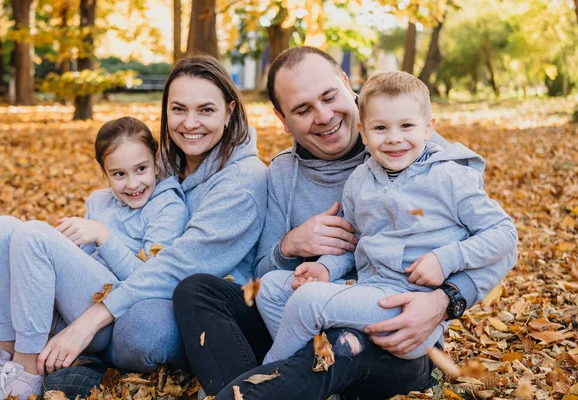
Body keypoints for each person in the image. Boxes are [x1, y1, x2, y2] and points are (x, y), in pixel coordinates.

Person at [174, 46, 516, 400]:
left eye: (329, 96)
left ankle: (261, 387)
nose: (323, 116)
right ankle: (271, 386)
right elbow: (263, 274)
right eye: (303, 109)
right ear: (282, 119)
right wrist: (290, 246)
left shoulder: (415, 149)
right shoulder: (283, 173)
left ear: (346, 82)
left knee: (344, 343)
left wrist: (445, 301)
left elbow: (501, 245)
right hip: (311, 317)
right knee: (196, 290)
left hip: (395, 330)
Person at [38, 55, 267, 397]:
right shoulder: (164, 162)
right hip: (139, 281)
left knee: (145, 329)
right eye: (178, 109)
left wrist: (91, 320)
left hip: (202, 308)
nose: (190, 123)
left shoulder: (243, 181)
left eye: (206, 110)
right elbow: (120, 207)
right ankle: (86, 355)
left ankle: (95, 358)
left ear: (229, 111)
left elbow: (179, 267)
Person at [258, 71, 518, 364]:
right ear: (364, 133)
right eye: (380, 128)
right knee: (270, 289)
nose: (394, 139)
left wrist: (447, 259)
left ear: (428, 128)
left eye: (406, 125)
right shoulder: (360, 181)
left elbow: (504, 233)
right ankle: (311, 374)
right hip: (369, 291)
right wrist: (327, 269)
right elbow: (356, 242)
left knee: (308, 302)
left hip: (409, 307)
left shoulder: (451, 177)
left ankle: (268, 380)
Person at [0, 116, 188, 399]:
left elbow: (150, 278)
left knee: (34, 234)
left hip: (109, 318)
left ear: (155, 162)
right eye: (119, 174)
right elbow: (84, 262)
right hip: (74, 307)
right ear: (105, 172)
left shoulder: (168, 207)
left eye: (141, 169)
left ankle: (27, 371)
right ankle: (7, 354)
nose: (133, 183)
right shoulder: (99, 201)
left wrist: (103, 236)